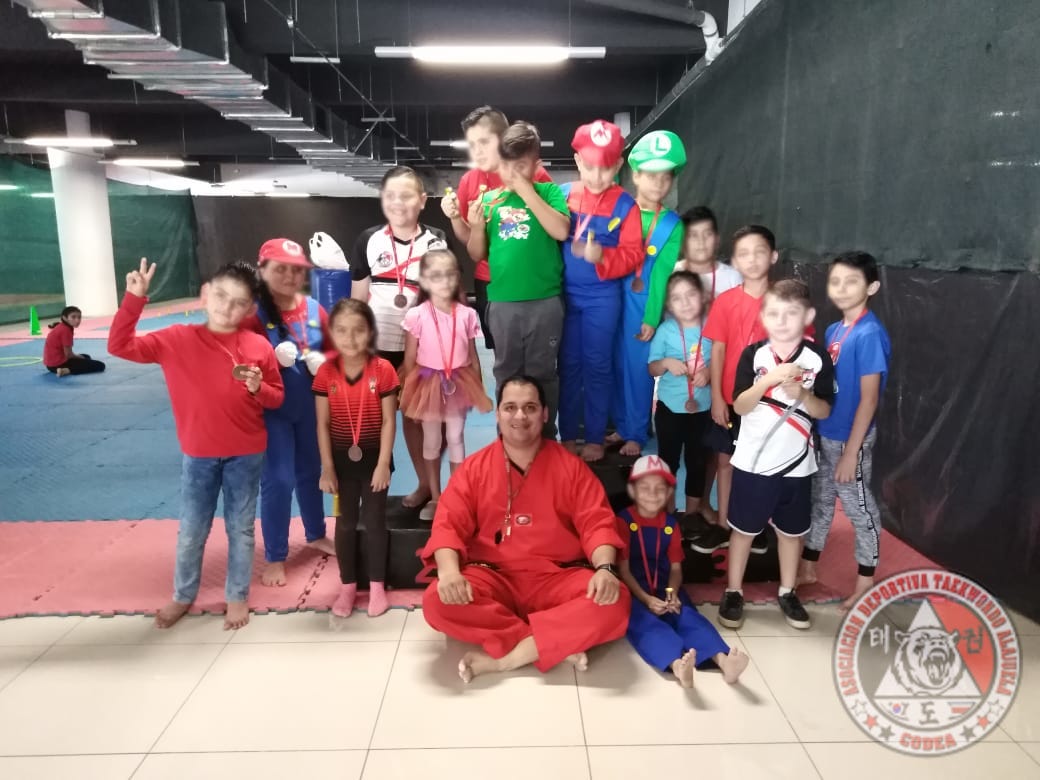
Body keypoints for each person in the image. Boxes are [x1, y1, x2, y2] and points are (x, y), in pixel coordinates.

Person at [108, 258, 284, 630]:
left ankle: (237, 595)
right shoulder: (175, 339)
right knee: (191, 531)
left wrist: (259, 389)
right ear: (205, 294)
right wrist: (134, 300)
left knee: (241, 529)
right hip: (199, 454)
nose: (226, 307)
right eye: (220, 296)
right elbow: (119, 346)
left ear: (250, 309)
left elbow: (276, 397)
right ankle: (183, 594)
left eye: (238, 302)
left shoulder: (257, 345)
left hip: (247, 453)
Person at [421, 375, 630, 683]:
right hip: (492, 577)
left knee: (615, 600)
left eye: (530, 407)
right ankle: (552, 642)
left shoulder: (571, 467)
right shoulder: (474, 468)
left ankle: (508, 659)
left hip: (557, 577)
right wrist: (450, 573)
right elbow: (447, 525)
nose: (520, 416)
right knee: (436, 601)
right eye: (510, 407)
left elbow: (596, 523)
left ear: (545, 414)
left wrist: (605, 570)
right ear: (498, 414)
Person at [718, 279, 835, 631]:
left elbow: (824, 410)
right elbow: (739, 405)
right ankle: (733, 591)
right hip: (754, 462)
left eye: (791, 313)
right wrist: (769, 381)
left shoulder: (818, 358)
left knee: (791, 533)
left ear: (807, 317)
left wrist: (803, 395)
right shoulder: (753, 355)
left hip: (798, 464)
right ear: (764, 317)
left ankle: (787, 591)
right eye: (774, 313)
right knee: (743, 531)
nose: (782, 321)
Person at [350, 166, 447, 511]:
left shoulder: (436, 240)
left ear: (422, 200)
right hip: (378, 348)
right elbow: (357, 301)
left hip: (421, 349)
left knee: (419, 419)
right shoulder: (369, 240)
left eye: (406, 195)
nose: (398, 202)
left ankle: (428, 486)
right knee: (377, 421)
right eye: (390, 195)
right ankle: (375, 494)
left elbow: (442, 299)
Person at [466, 122, 570, 440]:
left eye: (521, 166)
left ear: (537, 165)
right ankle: (507, 436)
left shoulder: (548, 192)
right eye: (507, 165)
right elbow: (477, 253)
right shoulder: (490, 200)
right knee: (507, 371)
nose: (513, 173)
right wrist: (475, 226)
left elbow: (561, 230)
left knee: (542, 372)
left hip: (544, 301)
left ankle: (545, 435)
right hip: (503, 302)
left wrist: (527, 190)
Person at [800, 252, 891, 610]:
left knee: (859, 508)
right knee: (821, 500)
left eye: (851, 281)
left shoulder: (869, 333)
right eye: (835, 281)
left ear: (872, 287)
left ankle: (866, 581)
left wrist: (852, 452)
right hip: (828, 432)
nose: (841, 288)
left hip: (852, 439)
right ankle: (808, 565)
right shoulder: (834, 330)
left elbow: (869, 399)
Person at [243, 238, 335, 587]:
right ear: (262, 270)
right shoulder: (252, 314)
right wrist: (266, 361)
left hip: (310, 408)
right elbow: (237, 363)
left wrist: (325, 363)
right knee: (278, 480)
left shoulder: (314, 308)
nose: (289, 276)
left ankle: (316, 534)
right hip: (272, 411)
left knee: (311, 472)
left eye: (296, 270)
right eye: (280, 269)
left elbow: (336, 353)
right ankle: (275, 555)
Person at [619, 455, 749, 688]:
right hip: (633, 590)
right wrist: (646, 599)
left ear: (670, 492)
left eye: (660, 489)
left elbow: (676, 568)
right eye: (645, 488)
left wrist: (671, 593)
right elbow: (623, 570)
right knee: (646, 624)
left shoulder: (671, 525)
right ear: (632, 490)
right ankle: (678, 666)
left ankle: (724, 661)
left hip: (665, 585)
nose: (652, 494)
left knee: (689, 616)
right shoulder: (623, 521)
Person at [558, 119, 644, 462]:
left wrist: (603, 257)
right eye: (590, 166)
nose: (597, 175)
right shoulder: (562, 195)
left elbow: (634, 254)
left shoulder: (626, 205)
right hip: (563, 295)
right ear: (578, 161)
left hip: (602, 298)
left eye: (606, 168)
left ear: (619, 165)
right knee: (568, 364)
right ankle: (567, 434)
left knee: (597, 365)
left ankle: (594, 436)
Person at [695, 225, 783, 555]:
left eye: (760, 251)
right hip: (731, 400)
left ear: (773, 256)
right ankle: (723, 525)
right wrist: (718, 398)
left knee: (759, 467)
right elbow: (717, 351)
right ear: (735, 261)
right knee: (726, 463)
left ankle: (752, 526)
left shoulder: (784, 302)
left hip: (768, 404)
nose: (752, 259)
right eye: (744, 253)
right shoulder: (726, 301)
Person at [440, 106, 552, 351]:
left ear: (504, 139)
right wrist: (455, 217)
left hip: (531, 281)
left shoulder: (535, 174)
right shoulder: (469, 181)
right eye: (472, 144)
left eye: (484, 142)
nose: (477, 151)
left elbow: (552, 229)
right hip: (489, 281)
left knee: (537, 355)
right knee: (503, 356)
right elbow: (470, 241)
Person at [314, 299, 399, 618]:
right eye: (342, 331)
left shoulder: (383, 370)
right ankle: (348, 585)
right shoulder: (326, 372)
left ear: (371, 332)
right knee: (345, 523)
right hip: (340, 464)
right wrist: (327, 468)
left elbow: (389, 421)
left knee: (375, 521)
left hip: (375, 462)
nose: (350, 338)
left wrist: (383, 464)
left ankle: (377, 586)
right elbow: (322, 424)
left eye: (359, 330)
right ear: (332, 334)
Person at [606, 130, 687, 458]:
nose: (658, 183)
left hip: (642, 303)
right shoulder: (618, 209)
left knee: (638, 369)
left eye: (666, 177)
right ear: (635, 175)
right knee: (614, 365)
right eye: (651, 175)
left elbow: (662, 274)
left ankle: (637, 432)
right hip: (609, 298)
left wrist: (652, 317)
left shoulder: (672, 224)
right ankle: (622, 424)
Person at [400, 247, 493, 521]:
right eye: (436, 276)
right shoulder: (416, 315)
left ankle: (456, 495)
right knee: (431, 440)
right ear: (424, 281)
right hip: (427, 383)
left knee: (455, 438)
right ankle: (435, 496)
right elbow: (409, 359)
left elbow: (473, 356)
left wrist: (480, 389)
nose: (444, 281)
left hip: (459, 383)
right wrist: (410, 394)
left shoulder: (466, 314)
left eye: (450, 275)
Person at [648, 272, 713, 518]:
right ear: (668, 304)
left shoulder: (712, 327)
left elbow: (723, 362)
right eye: (677, 298)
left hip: (703, 409)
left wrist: (708, 372)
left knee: (698, 463)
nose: (684, 303)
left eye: (690, 295)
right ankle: (669, 515)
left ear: (703, 296)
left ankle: (692, 517)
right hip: (670, 410)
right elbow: (652, 368)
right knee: (667, 463)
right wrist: (665, 363)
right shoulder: (665, 331)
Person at [670, 207, 743, 302]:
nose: (701, 241)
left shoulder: (733, 278)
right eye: (693, 235)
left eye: (707, 234)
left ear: (717, 239)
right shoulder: (669, 274)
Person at [43, 305, 105, 376]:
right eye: (73, 317)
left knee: (86, 356)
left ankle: (66, 369)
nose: (77, 320)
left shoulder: (62, 326)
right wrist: (79, 357)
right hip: (58, 364)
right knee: (100, 365)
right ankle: (66, 370)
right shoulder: (65, 330)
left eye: (79, 317)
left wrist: (81, 357)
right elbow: (68, 355)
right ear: (65, 318)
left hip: (50, 365)